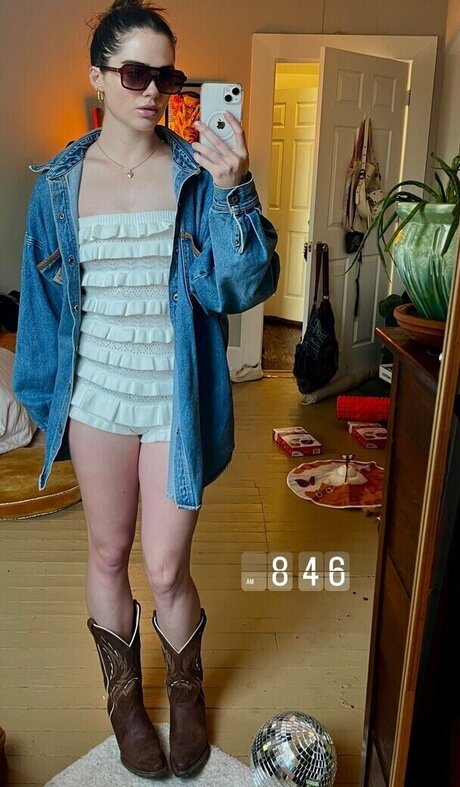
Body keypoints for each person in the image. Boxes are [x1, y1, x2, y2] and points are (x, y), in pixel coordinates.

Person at [13, 0, 280, 779]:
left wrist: (236, 191)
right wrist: (42, 406)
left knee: (165, 567)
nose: (155, 90)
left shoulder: (199, 175)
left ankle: (186, 693)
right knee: (107, 551)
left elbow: (242, 287)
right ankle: (126, 705)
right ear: (98, 78)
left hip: (174, 397)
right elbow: (42, 311)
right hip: (96, 396)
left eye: (167, 75)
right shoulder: (56, 187)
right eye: (136, 73)